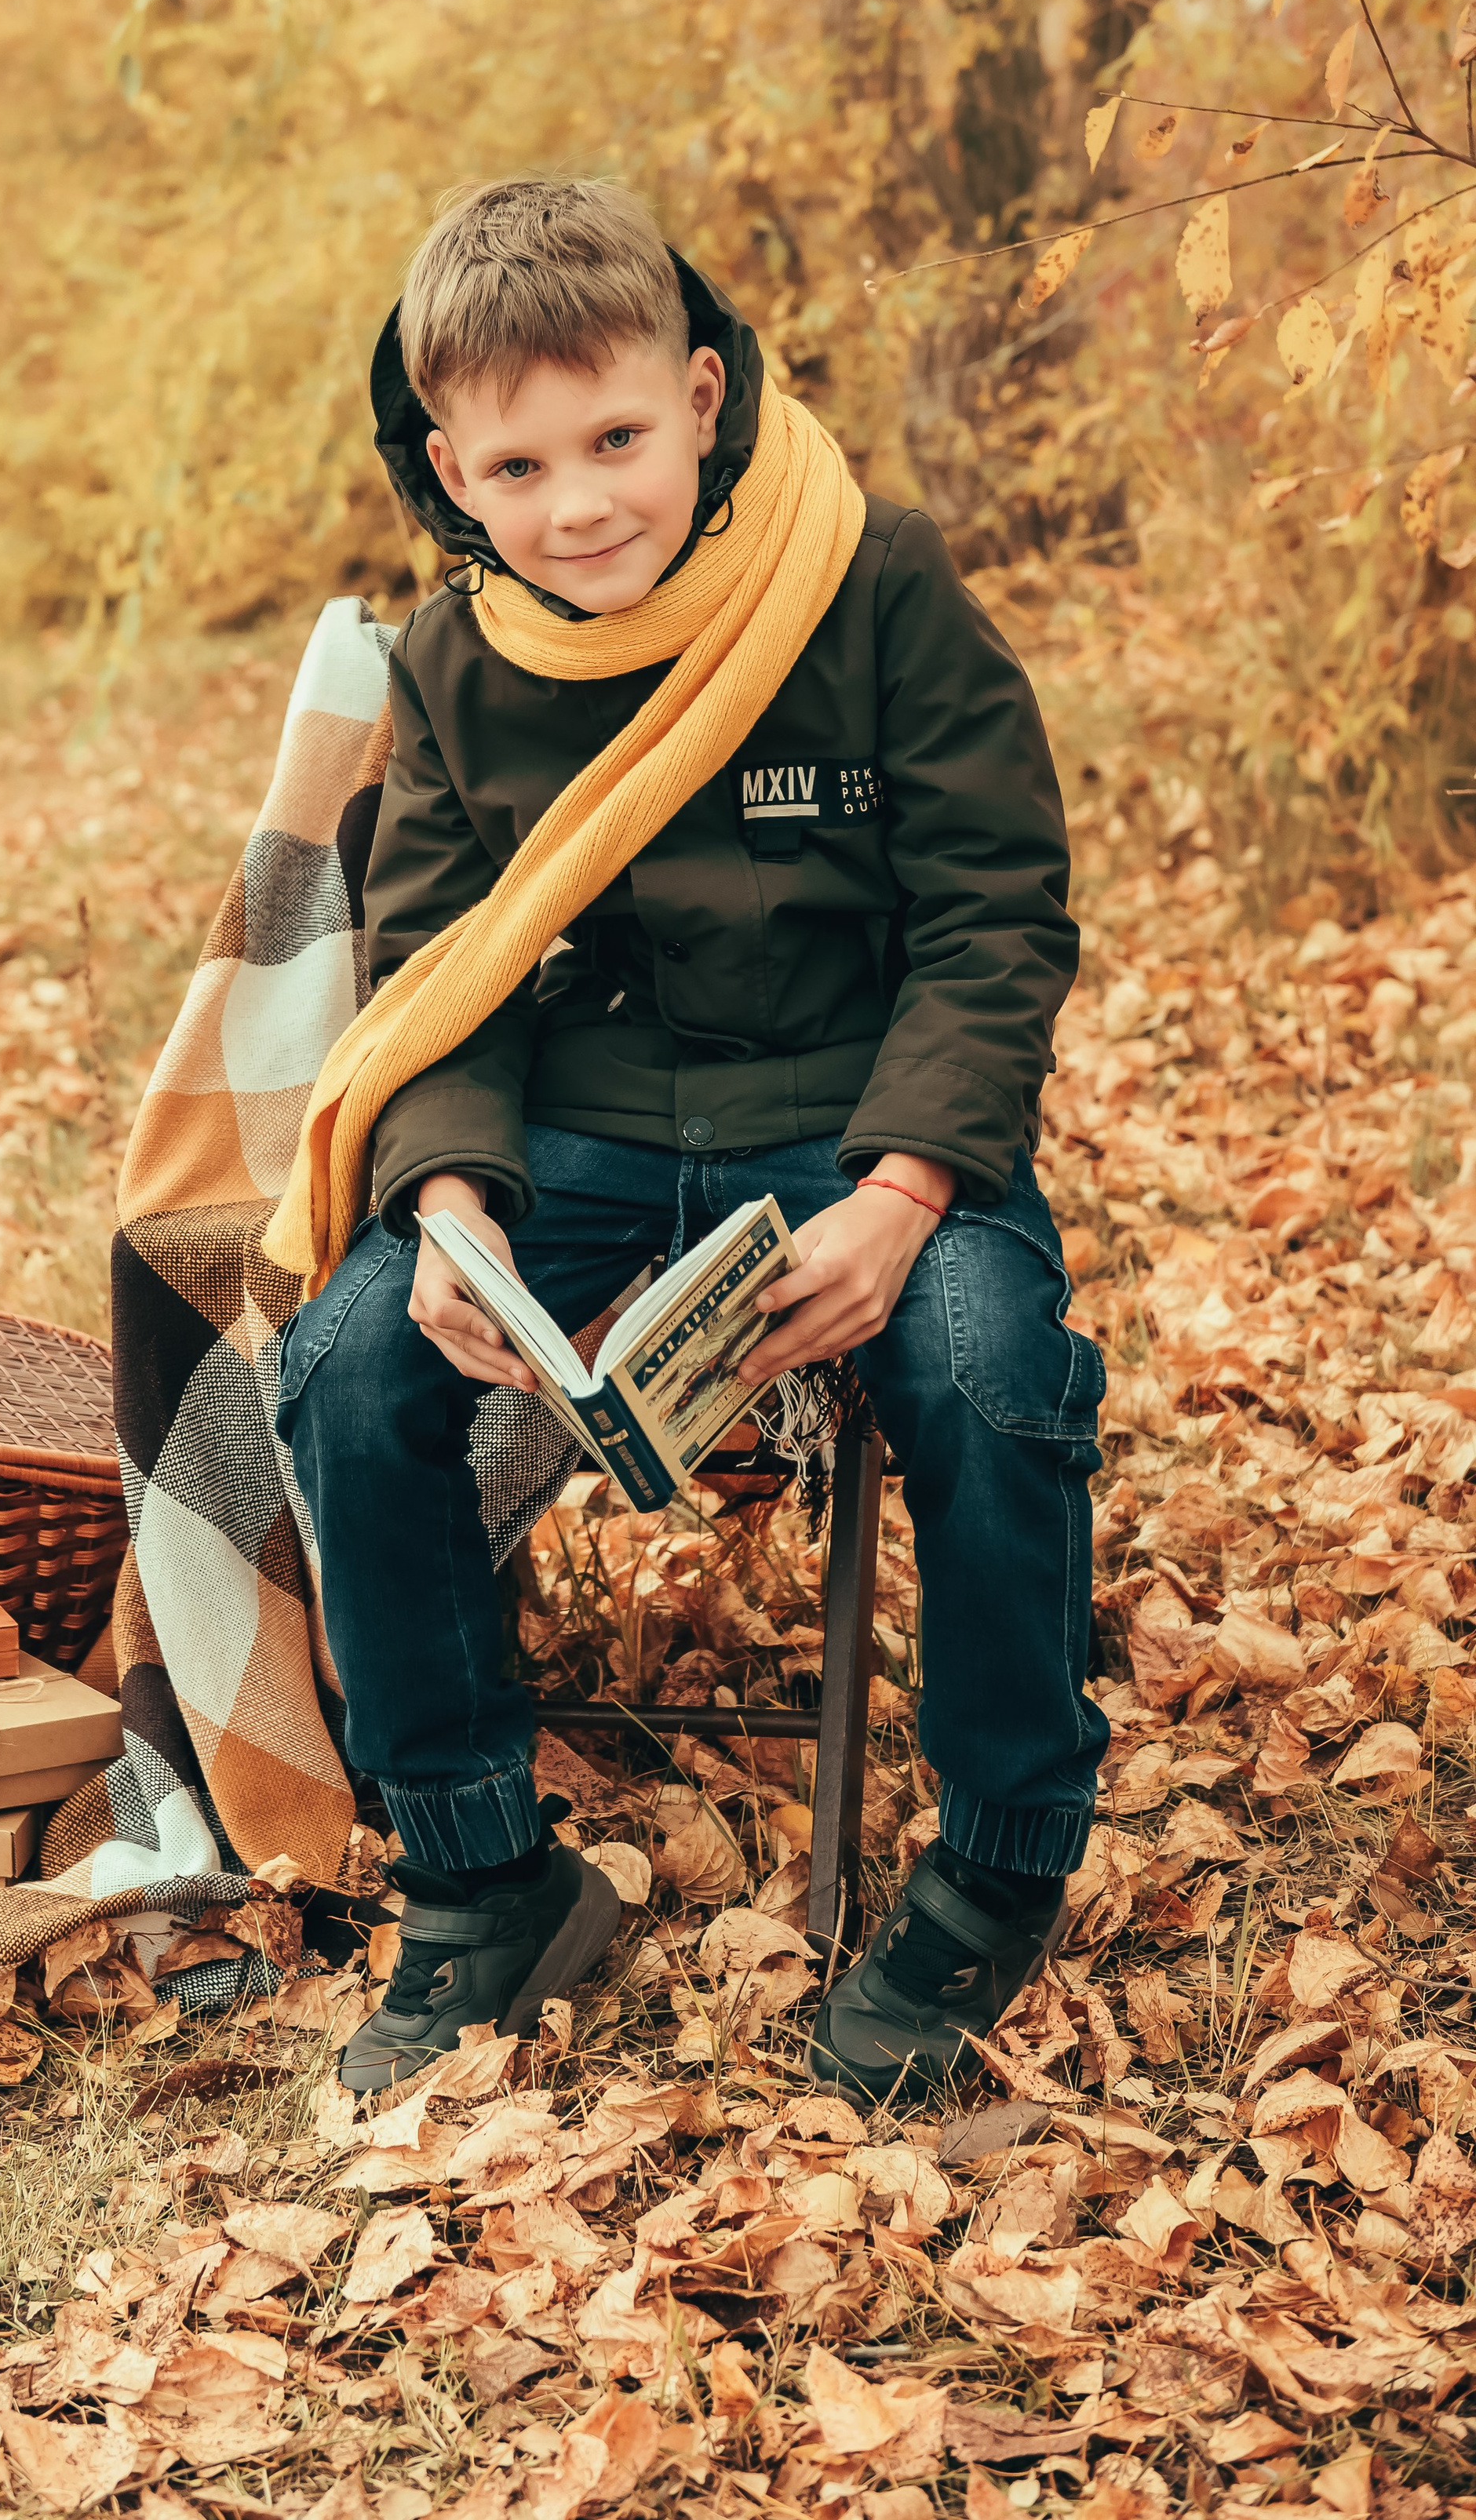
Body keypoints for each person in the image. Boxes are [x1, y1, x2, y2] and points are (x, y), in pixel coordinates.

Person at [268, 177, 1107, 2099]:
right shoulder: (454, 663)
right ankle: (482, 1876)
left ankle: (995, 1859)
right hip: (569, 1132)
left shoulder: (869, 576)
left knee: (987, 1369)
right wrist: (455, 1198)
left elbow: (996, 912)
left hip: (854, 1115)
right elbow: (430, 963)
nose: (581, 504)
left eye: (618, 438)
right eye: (519, 464)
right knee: (343, 1364)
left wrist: (904, 1193)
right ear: (448, 471)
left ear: (704, 393)